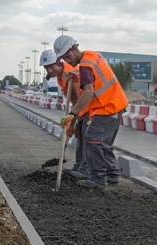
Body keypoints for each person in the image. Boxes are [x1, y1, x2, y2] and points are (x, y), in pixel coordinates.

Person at [53, 35, 128, 188]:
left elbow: (87, 93)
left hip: (108, 106)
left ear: (75, 48)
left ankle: (98, 179)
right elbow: (96, 75)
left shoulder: (85, 66)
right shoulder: (92, 55)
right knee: (102, 142)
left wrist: (72, 114)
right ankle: (112, 173)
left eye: (68, 56)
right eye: (64, 59)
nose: (68, 61)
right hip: (114, 102)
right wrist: (79, 75)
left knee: (93, 139)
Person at [39, 49, 89, 179]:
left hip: (89, 108)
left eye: (52, 66)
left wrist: (71, 125)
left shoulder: (69, 75)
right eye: (46, 68)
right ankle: (79, 166)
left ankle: (84, 170)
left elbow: (76, 101)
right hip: (82, 109)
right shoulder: (62, 76)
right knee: (80, 136)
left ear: (59, 62)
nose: (50, 71)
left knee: (86, 138)